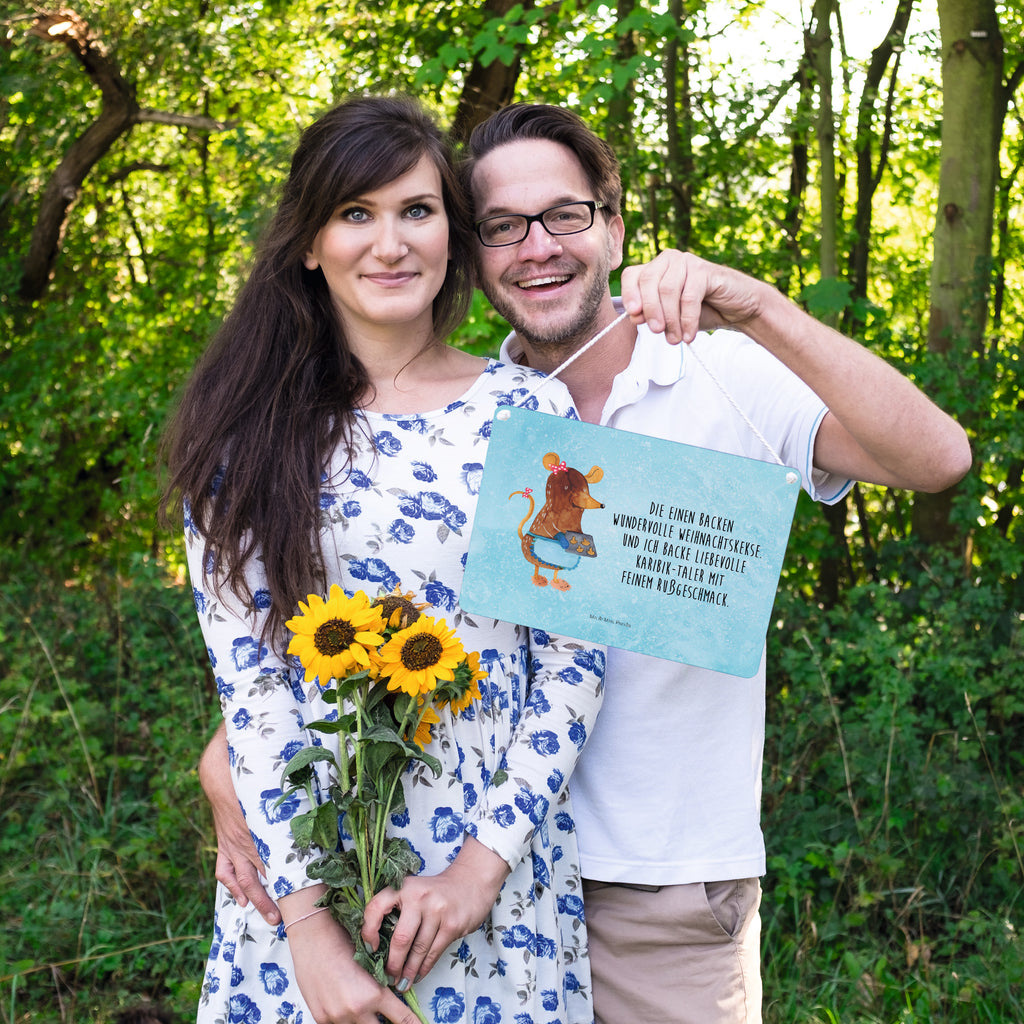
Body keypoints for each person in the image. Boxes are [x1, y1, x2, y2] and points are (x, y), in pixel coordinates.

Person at [202, 102, 973, 1024]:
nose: (537, 247)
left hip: (649, 887)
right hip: (419, 874)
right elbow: (335, 631)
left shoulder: (703, 376)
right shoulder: (454, 418)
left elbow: (937, 461)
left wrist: (760, 306)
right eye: (502, 226)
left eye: (565, 215)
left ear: (613, 225)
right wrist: (236, 772)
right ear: (474, 249)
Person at [163, 96, 608, 1024]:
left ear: (452, 230)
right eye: (355, 214)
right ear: (309, 243)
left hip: (491, 885)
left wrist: (478, 873)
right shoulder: (244, 437)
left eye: (417, 210)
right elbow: (253, 691)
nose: (391, 243)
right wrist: (311, 937)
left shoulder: (531, 416)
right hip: (303, 883)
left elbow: (572, 662)